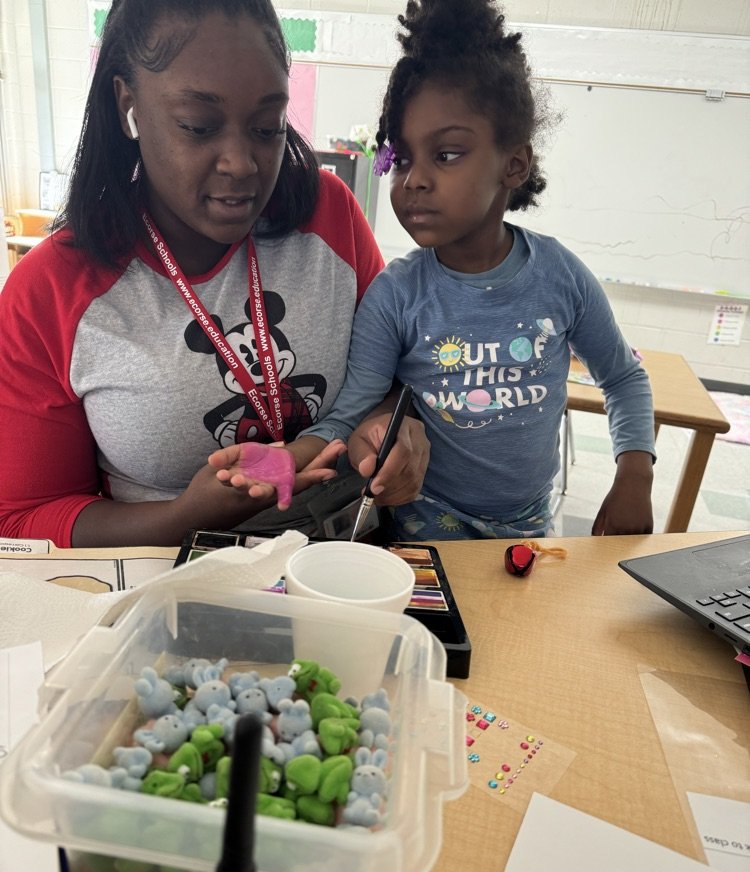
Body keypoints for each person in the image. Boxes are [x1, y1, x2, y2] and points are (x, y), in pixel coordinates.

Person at [215, 0, 656, 541]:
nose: (415, 180)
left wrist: (635, 474)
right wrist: (288, 456)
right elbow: (349, 415)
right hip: (421, 526)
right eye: (401, 160)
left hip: (529, 524)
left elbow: (623, 377)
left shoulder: (560, 277)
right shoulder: (394, 296)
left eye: (446, 155)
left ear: (514, 164)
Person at [0, 0, 428, 548]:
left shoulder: (329, 216)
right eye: (198, 127)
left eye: (268, 127)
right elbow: (22, 520)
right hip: (170, 581)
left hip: (341, 563)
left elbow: (390, 378)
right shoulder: (53, 288)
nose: (241, 164)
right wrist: (184, 516)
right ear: (128, 105)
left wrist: (394, 430)